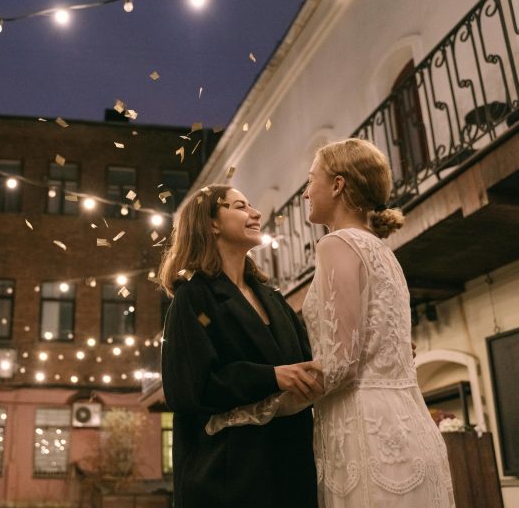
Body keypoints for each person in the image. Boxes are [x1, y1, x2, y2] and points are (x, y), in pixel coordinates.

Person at [208, 139, 455, 507]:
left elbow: (339, 366)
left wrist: (249, 412)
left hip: (363, 432)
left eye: (311, 181)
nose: (306, 193)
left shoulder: (336, 244)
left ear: (338, 185)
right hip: (409, 421)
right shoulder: (384, 253)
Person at [158, 184, 324, 508]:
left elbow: (309, 361)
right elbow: (188, 389)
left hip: (290, 471)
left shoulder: (273, 298)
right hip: (230, 479)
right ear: (212, 224)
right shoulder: (192, 298)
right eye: (239, 206)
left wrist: (373, 348)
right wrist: (270, 377)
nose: (256, 213)